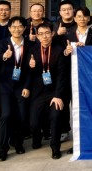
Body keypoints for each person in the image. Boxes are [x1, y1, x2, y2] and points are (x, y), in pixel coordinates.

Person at [25, 22, 70, 159]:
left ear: (52, 34)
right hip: (38, 92)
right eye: (41, 34)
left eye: (47, 33)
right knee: (33, 123)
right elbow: (27, 73)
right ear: (37, 36)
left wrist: (58, 95)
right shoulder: (32, 50)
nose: (44, 36)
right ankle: (37, 138)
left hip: (54, 92)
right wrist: (30, 66)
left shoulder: (59, 50)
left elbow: (62, 75)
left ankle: (55, 148)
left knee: (55, 118)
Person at [0, 16, 32, 160]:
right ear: (9, 28)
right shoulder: (2, 43)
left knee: (22, 116)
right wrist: (4, 56)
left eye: (20, 26)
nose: (17, 29)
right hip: (5, 86)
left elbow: (30, 70)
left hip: (21, 86)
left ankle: (18, 143)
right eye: (14, 26)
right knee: (6, 115)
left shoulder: (29, 44)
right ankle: (3, 149)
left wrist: (27, 86)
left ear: (24, 28)